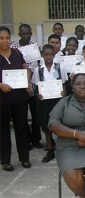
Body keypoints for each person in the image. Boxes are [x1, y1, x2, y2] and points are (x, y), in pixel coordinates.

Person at [0, 26, 32, 171]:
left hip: (20, 98)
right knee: (3, 130)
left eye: (7, 38)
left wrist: (27, 81)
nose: (4, 41)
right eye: (1, 38)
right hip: (2, 99)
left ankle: (24, 158)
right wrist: (0, 85)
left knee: (21, 127)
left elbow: (26, 68)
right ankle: (5, 160)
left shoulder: (17, 52)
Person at [32, 44, 67, 163]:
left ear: (54, 54)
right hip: (44, 102)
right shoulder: (38, 70)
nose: (48, 57)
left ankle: (62, 149)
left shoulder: (60, 68)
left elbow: (64, 84)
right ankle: (50, 149)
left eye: (51, 54)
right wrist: (38, 95)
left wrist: (64, 93)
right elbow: (36, 87)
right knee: (47, 126)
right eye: (46, 54)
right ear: (42, 55)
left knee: (59, 124)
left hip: (57, 100)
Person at [10, 23, 43, 149]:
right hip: (19, 85)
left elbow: (39, 64)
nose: (26, 36)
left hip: (33, 83)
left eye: (29, 33)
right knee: (22, 115)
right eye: (24, 33)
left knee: (35, 114)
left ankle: (36, 140)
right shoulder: (13, 47)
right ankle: (26, 140)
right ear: (19, 34)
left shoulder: (35, 47)